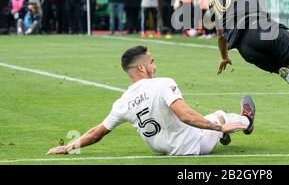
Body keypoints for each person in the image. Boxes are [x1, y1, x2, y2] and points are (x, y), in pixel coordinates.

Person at [47, 46, 254, 156]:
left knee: (211, 124)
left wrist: (68, 148)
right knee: (220, 115)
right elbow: (186, 116)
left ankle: (222, 136)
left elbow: (96, 133)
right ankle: (246, 121)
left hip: (164, 149)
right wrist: (218, 128)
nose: (154, 65)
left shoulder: (123, 102)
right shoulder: (164, 83)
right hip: (192, 145)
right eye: (151, 61)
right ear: (141, 68)